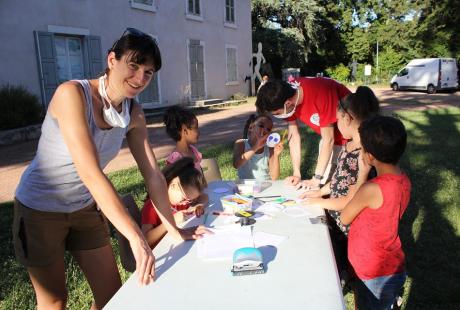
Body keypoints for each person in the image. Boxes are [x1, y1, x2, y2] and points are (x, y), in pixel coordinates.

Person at [12, 28, 206, 310]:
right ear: (112, 59)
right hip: (40, 208)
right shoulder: (72, 94)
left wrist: (174, 229)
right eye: (134, 64)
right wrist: (137, 238)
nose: (140, 78)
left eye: (149, 72)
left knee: (112, 296)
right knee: (54, 302)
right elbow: (90, 172)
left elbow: (152, 174)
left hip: (85, 207)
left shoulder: (133, 113)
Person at [300, 86, 380, 286]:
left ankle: (347, 278)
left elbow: (349, 201)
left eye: (337, 120)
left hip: (350, 224)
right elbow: (338, 178)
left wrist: (318, 202)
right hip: (336, 218)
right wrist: (321, 190)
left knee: (345, 256)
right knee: (334, 249)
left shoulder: (364, 155)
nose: (336, 125)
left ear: (348, 118)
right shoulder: (348, 144)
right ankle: (342, 272)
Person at [340, 115, 411, 309]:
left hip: (372, 271)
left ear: (369, 156)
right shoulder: (404, 180)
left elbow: (345, 217)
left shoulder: (371, 189)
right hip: (392, 265)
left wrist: (362, 174)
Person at [256, 77, 351, 189]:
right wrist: (297, 173)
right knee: (322, 187)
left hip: (353, 140)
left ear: (287, 103)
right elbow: (294, 136)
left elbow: (328, 140)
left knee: (341, 187)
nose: (278, 116)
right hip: (331, 140)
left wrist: (316, 178)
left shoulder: (321, 91)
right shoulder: (285, 94)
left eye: (277, 113)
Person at [141, 157, 209, 248]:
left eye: (191, 200)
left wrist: (199, 205)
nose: (186, 203)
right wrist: (171, 221)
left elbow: (204, 197)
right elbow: (146, 240)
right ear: (172, 186)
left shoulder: (179, 201)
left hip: (179, 244)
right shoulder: (152, 207)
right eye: (184, 199)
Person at [233, 114, 283, 180]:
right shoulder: (241, 143)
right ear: (251, 127)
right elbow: (236, 164)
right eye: (261, 126)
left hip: (265, 185)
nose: (264, 130)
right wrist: (256, 147)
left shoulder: (269, 149)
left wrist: (276, 155)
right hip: (246, 186)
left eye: (268, 129)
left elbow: (274, 177)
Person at [163, 105, 202, 171]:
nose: (199, 132)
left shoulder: (193, 150)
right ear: (184, 130)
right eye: (196, 128)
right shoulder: (176, 158)